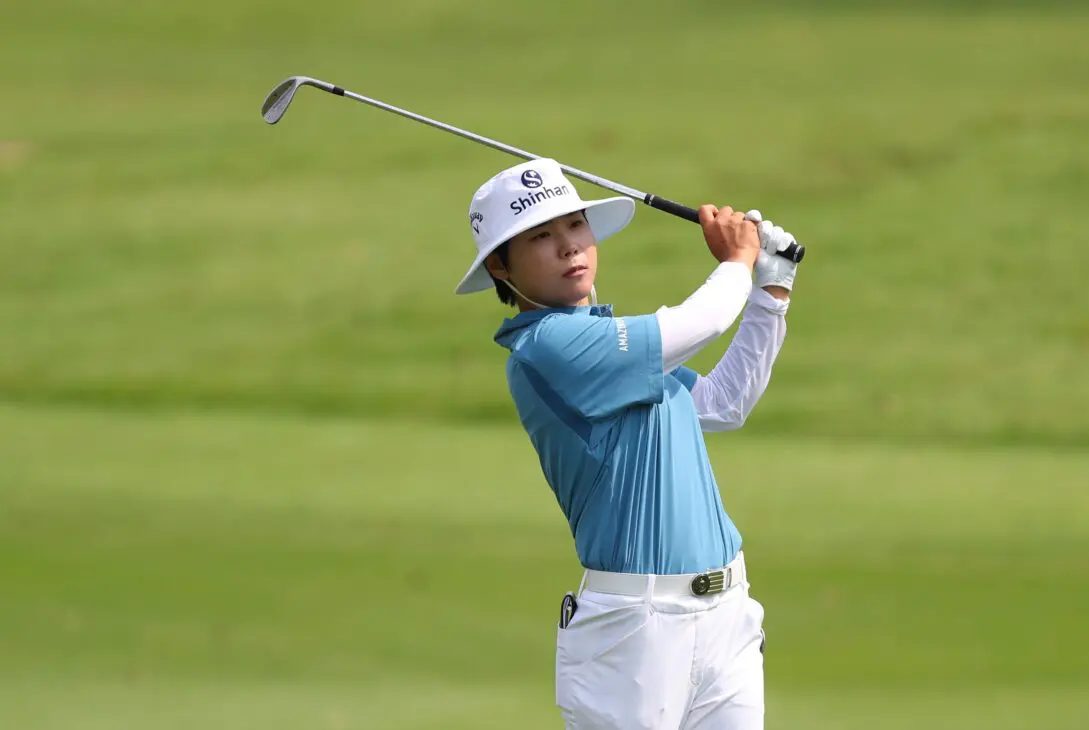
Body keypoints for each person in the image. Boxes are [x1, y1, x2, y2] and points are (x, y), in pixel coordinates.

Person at [454, 158, 802, 730]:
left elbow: (724, 403)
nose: (569, 247)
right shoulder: (546, 347)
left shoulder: (613, 350)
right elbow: (698, 324)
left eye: (574, 226)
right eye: (541, 236)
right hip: (633, 631)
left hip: (726, 616)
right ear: (500, 265)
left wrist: (772, 288)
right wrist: (739, 261)